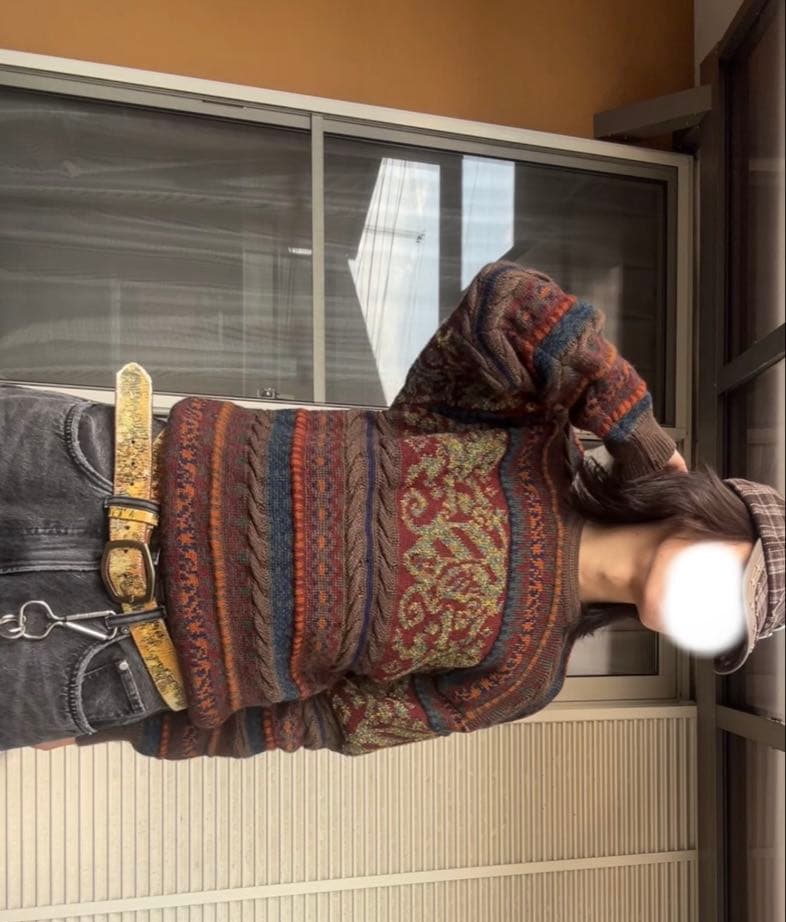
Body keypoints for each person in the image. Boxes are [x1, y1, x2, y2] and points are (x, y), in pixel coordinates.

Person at [2, 261, 783, 760]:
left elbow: (325, 722)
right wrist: (642, 441)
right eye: (736, 581)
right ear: (714, 515)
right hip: (95, 472)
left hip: (100, 657)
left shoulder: (528, 678)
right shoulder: (528, 434)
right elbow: (507, 303)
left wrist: (125, 727)